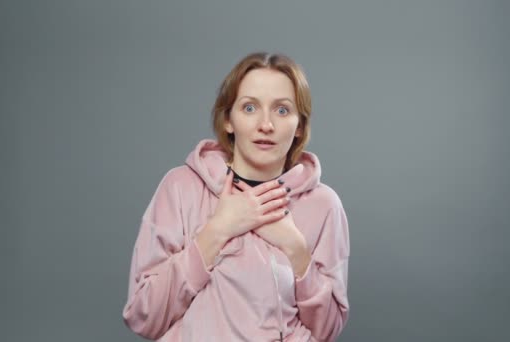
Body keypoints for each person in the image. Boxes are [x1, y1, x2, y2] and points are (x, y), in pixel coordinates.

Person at [122, 52, 350, 341]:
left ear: (300, 126)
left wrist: (297, 250)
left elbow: (327, 329)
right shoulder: (180, 188)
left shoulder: (323, 205)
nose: (265, 124)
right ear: (228, 119)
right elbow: (144, 315)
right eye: (250, 108)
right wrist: (218, 230)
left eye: (282, 110)